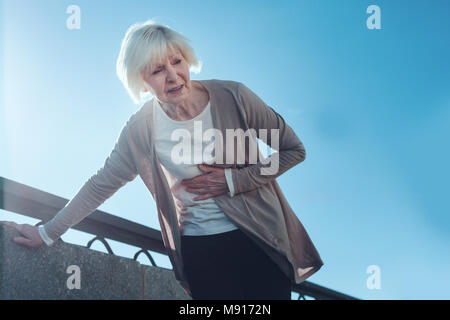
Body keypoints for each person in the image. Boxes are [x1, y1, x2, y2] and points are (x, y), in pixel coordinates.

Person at [2, 20, 323, 300]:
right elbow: (101, 184)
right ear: (141, 81)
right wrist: (47, 232)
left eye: (177, 61)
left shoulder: (234, 97)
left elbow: (292, 150)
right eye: (157, 70)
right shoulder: (141, 129)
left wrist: (233, 180)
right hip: (201, 251)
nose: (172, 76)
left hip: (262, 241)